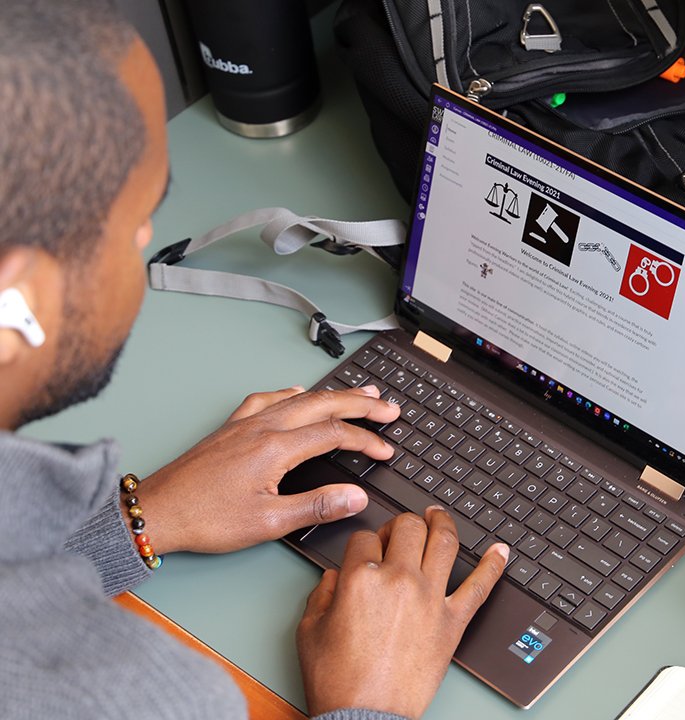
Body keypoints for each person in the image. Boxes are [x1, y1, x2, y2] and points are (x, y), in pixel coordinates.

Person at [0, 2, 509, 719]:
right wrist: (368, 705)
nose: (150, 235)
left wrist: (137, 521)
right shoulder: (138, 695)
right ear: (17, 298)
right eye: (136, 216)